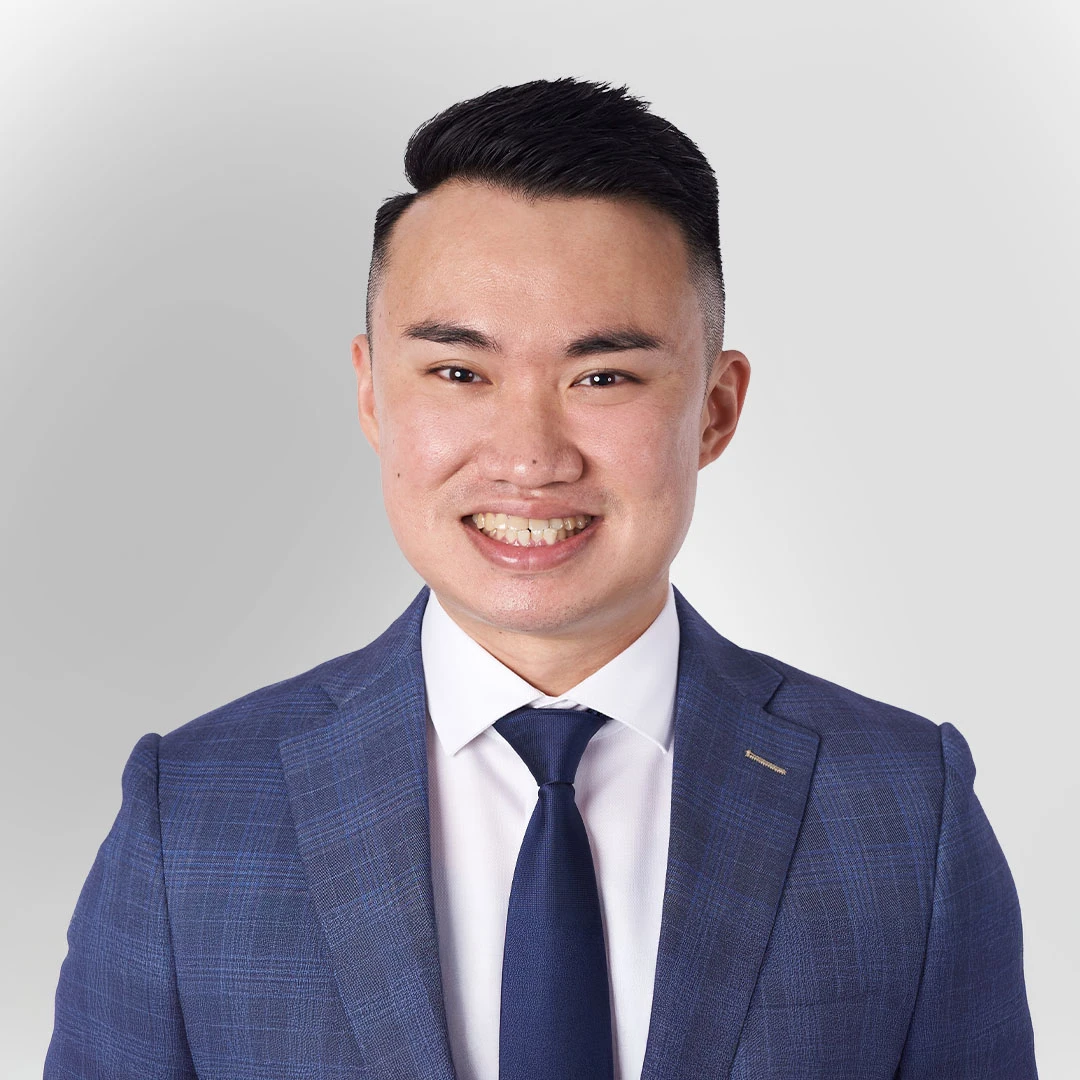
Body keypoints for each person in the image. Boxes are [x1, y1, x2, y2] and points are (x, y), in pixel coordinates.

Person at [45, 78, 1037, 1079]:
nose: (528, 457)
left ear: (715, 410)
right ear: (372, 393)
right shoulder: (194, 817)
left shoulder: (908, 811)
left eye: (602, 377)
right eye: (459, 373)